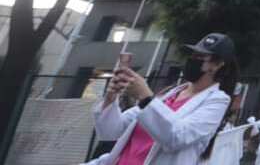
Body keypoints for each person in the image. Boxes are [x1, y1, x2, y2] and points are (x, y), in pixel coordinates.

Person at [84, 33, 237, 165]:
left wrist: (145, 97)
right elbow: (110, 131)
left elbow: (177, 137)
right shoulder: (169, 94)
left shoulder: (217, 101)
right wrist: (111, 97)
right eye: (193, 55)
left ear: (217, 65)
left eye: (201, 57)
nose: (193, 60)